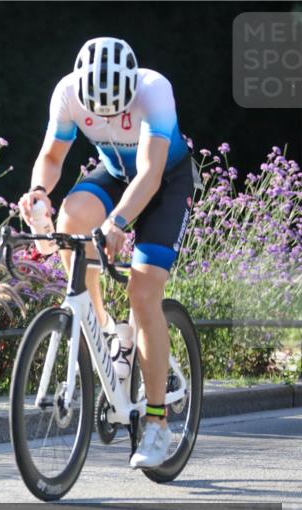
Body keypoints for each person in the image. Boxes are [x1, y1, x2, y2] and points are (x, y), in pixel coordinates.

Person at [18, 37, 194, 469]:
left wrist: (117, 223)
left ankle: (157, 424)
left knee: (143, 292)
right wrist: (39, 191)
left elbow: (151, 174)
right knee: (71, 219)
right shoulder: (67, 92)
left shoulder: (154, 90)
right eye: (103, 113)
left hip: (165, 184)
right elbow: (52, 155)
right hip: (115, 174)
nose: (112, 118)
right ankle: (105, 332)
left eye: (119, 110)